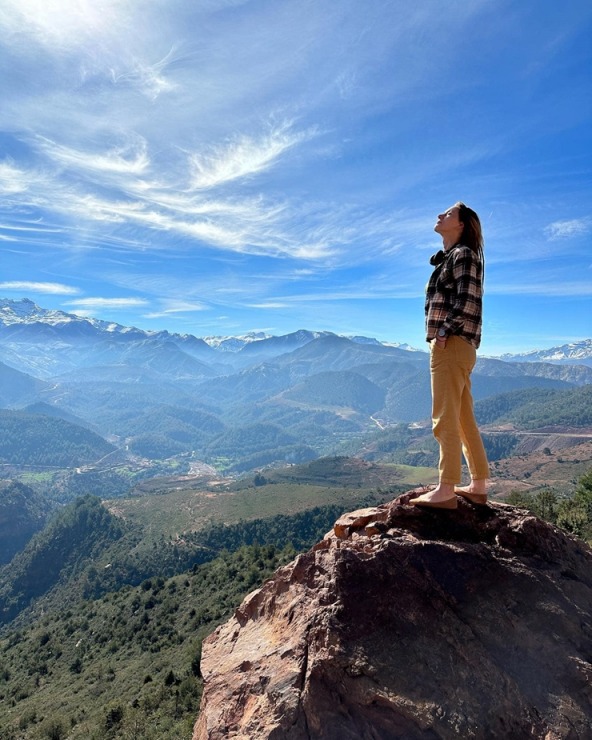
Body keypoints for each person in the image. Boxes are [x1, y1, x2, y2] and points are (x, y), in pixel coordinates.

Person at [410, 202, 490, 510]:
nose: (439, 215)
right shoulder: (453, 257)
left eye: (447, 214)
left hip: (451, 344)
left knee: (443, 417)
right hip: (458, 345)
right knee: (462, 417)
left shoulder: (463, 255)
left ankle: (446, 488)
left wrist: (443, 332)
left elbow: (468, 300)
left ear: (461, 225)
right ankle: (479, 484)